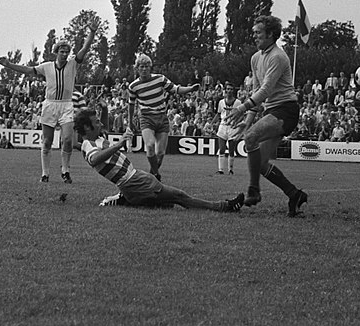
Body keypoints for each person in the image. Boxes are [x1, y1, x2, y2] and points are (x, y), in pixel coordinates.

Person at [75, 109, 244, 211]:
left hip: (134, 180)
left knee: (167, 204)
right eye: (96, 123)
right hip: (133, 182)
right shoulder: (87, 145)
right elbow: (94, 159)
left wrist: (104, 109)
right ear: (86, 128)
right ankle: (223, 206)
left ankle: (125, 199)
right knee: (178, 196)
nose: (100, 125)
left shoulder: (95, 137)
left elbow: (100, 128)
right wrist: (119, 144)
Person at [0, 18, 98, 183]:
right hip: (50, 104)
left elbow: (85, 49)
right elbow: (28, 70)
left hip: (66, 104)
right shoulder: (47, 66)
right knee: (47, 141)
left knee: (67, 139)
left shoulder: (73, 63)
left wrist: (92, 33)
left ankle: (65, 170)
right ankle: (45, 174)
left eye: (67, 52)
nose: (65, 54)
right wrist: (9, 65)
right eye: (62, 51)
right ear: (56, 52)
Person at [226, 15, 308, 217]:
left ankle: (253, 191)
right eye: (254, 32)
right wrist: (247, 122)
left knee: (250, 139)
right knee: (260, 163)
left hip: (286, 110)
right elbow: (257, 92)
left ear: (271, 34)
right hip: (272, 110)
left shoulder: (278, 57)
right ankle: (294, 194)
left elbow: (265, 90)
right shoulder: (256, 58)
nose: (254, 36)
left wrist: (242, 108)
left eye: (258, 32)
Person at [127, 53, 199, 181]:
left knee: (160, 153)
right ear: (137, 68)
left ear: (150, 67)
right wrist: (130, 122)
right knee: (149, 146)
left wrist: (191, 89)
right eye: (141, 66)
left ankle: (152, 175)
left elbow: (176, 89)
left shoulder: (160, 79)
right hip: (146, 118)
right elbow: (131, 105)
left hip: (161, 117)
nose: (144, 69)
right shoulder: (133, 86)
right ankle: (155, 175)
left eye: (146, 66)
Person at [212, 84, 244, 175]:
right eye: (228, 89)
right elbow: (218, 114)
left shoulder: (238, 102)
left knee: (231, 149)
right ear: (225, 90)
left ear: (233, 91)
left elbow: (241, 114)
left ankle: (230, 169)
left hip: (232, 127)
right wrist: (211, 124)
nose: (229, 91)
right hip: (223, 126)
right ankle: (220, 169)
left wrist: (237, 122)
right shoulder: (221, 102)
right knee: (221, 149)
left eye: (231, 89)